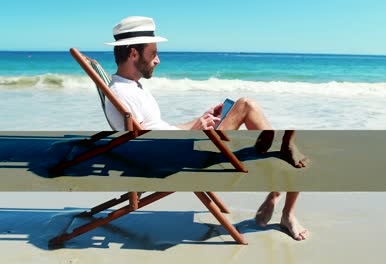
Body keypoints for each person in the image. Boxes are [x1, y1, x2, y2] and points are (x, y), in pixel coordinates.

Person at [104, 16, 309, 240]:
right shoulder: (123, 94)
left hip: (180, 148)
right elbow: (149, 144)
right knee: (247, 106)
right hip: (179, 159)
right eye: (153, 53)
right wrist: (195, 133)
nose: (158, 60)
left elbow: (159, 130)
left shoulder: (130, 87)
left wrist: (198, 122)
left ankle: (279, 162)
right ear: (134, 54)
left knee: (248, 113)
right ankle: (285, 201)